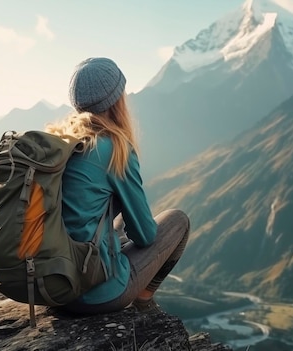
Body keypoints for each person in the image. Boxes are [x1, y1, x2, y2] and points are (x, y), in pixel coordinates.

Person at [45, 57, 190, 314]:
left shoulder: (59, 141)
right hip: (95, 293)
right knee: (178, 221)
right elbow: (145, 235)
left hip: (53, 286)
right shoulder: (113, 149)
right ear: (116, 101)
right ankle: (144, 302)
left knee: (117, 230)